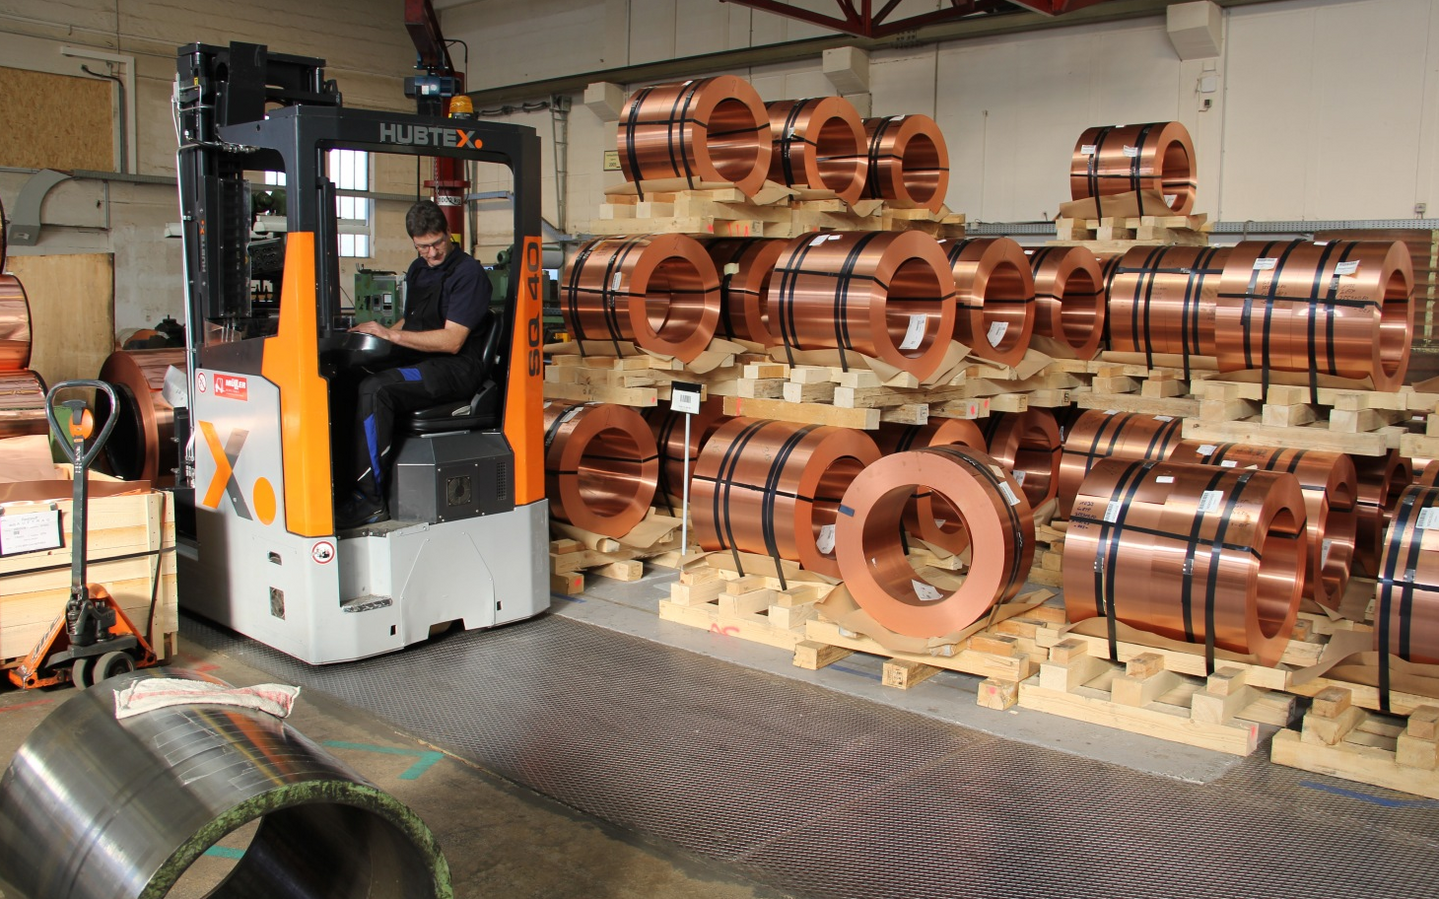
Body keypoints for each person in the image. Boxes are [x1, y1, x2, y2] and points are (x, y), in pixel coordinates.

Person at [336, 200, 492, 529]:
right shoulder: (418, 269)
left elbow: (452, 340)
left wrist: (391, 338)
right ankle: (339, 484)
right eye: (423, 246)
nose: (432, 253)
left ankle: (369, 500)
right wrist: (380, 335)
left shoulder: (468, 274)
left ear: (449, 233)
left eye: (437, 243)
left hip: (455, 368)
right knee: (344, 378)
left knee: (376, 390)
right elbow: (413, 321)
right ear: (413, 242)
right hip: (423, 361)